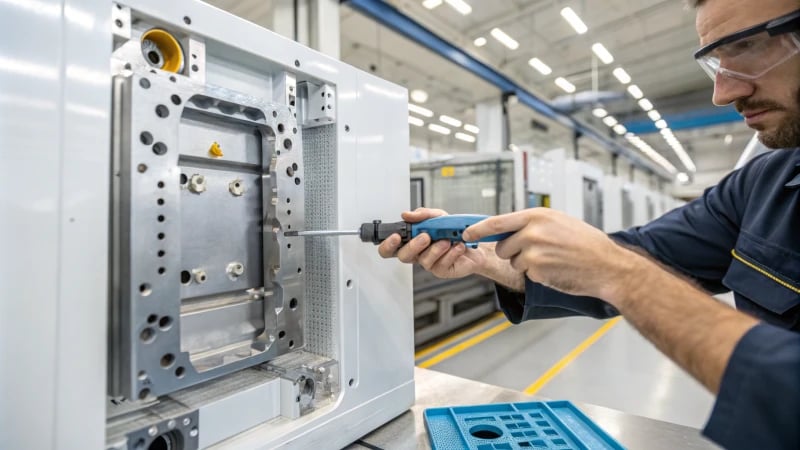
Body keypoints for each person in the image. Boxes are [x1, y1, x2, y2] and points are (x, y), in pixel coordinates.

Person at [379, 0, 800, 448]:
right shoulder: (762, 184)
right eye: (715, 62)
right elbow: (646, 253)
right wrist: (494, 261)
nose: (722, 93)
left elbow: (621, 267)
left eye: (749, 47)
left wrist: (618, 274)